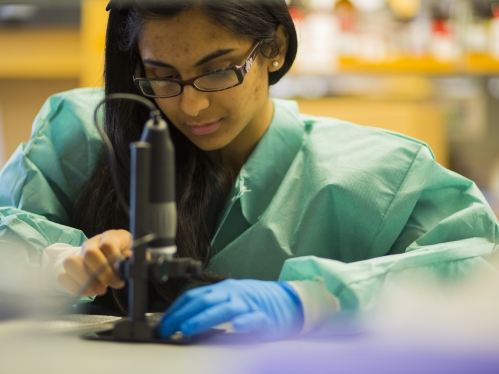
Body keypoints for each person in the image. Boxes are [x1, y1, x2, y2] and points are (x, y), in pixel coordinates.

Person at [0, 0, 498, 340]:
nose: (192, 106)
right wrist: (54, 263)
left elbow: (480, 267)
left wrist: (313, 300)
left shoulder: (378, 176)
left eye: (218, 70)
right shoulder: (83, 134)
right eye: (163, 76)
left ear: (275, 48)